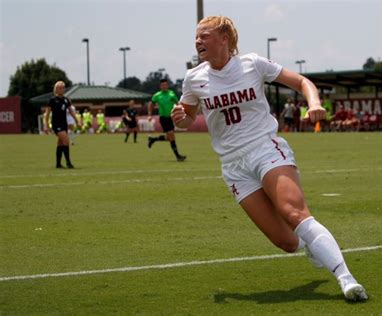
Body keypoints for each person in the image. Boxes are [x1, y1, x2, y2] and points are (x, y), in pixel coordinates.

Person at [171, 15, 368, 301]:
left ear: (224, 38)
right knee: (288, 243)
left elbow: (301, 81)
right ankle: (312, 244)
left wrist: (313, 103)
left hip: (265, 148)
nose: (198, 41)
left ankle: (346, 279)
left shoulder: (252, 63)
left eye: (205, 35)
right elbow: (187, 119)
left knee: (294, 213)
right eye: (196, 36)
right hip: (233, 166)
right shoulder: (194, 78)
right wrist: (181, 118)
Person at [43, 81, 81, 168]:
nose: (62, 89)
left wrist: (77, 121)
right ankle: (68, 163)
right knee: (66, 141)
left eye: (63, 88)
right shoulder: (52, 100)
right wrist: (46, 125)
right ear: (56, 89)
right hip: (56, 124)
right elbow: (47, 114)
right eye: (60, 88)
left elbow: (71, 111)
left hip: (64, 124)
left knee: (60, 143)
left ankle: (58, 164)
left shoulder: (66, 100)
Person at [148, 79, 186, 161]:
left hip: (171, 118)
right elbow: (151, 104)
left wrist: (181, 111)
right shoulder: (157, 95)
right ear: (160, 86)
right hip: (163, 118)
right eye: (163, 85)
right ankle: (178, 156)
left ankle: (153, 139)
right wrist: (150, 115)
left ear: (167, 85)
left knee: (170, 137)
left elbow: (178, 103)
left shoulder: (171, 93)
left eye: (165, 85)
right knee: (171, 135)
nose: (164, 86)